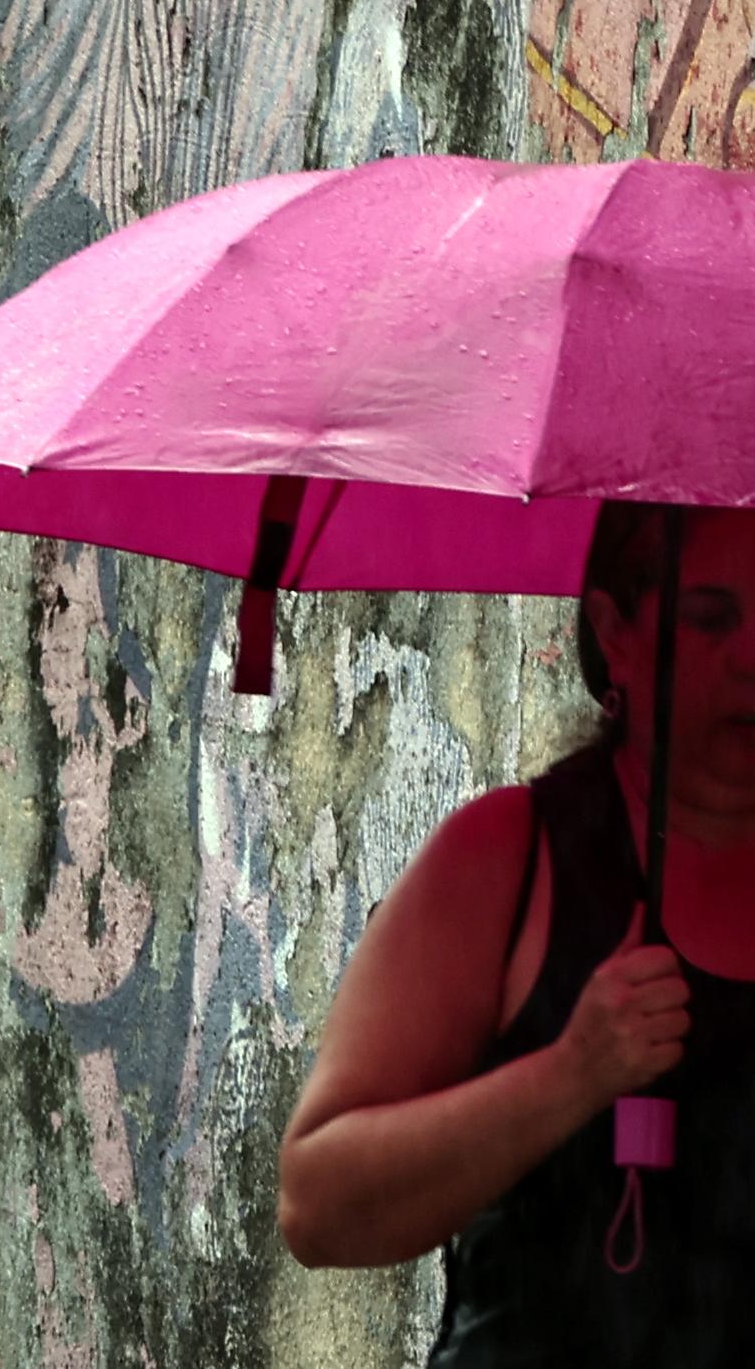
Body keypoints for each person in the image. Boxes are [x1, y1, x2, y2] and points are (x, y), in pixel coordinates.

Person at [278, 503, 755, 1363]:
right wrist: (573, 1073)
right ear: (615, 633)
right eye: (710, 618)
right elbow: (319, 1205)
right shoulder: (508, 858)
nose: (752, 657)